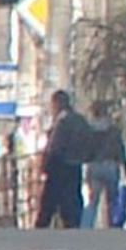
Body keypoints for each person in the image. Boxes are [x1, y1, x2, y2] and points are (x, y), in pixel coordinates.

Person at [35, 90, 90, 229]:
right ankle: (72, 223)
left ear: (57, 104)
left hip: (59, 164)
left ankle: (42, 227)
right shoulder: (80, 120)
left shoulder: (63, 121)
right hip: (75, 163)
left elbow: (55, 145)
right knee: (72, 196)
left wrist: (45, 163)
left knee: (50, 198)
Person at [82, 102, 126, 229]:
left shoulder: (89, 130)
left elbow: (85, 149)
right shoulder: (114, 130)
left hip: (94, 166)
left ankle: (86, 226)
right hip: (111, 166)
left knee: (93, 200)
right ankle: (113, 226)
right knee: (112, 200)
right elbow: (120, 149)